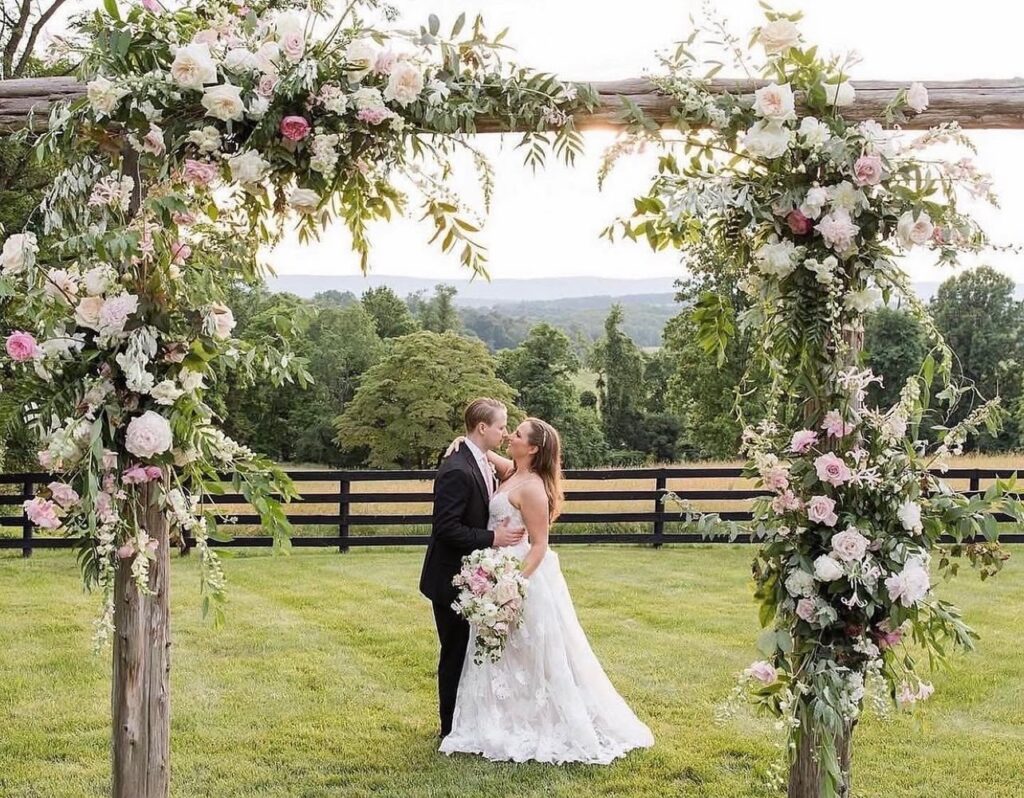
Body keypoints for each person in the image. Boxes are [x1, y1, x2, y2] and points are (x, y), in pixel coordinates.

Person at [438, 416, 654, 764]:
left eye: (518, 434)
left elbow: (539, 545)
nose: (510, 435)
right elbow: (484, 454)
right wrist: (460, 443)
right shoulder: (512, 471)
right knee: (501, 652)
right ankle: (496, 717)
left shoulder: (534, 487)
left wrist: (510, 586)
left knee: (528, 652)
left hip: (519, 576)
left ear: (534, 448)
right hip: (493, 571)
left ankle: (535, 722)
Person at [420, 397, 526, 740]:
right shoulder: (456, 469)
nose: (505, 432)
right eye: (500, 426)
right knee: (454, 652)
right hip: (449, 578)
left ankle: (472, 721)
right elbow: (446, 528)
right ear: (483, 428)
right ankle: (449, 728)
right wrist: (493, 537)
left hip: (474, 577)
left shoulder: (478, 459)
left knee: (472, 652)